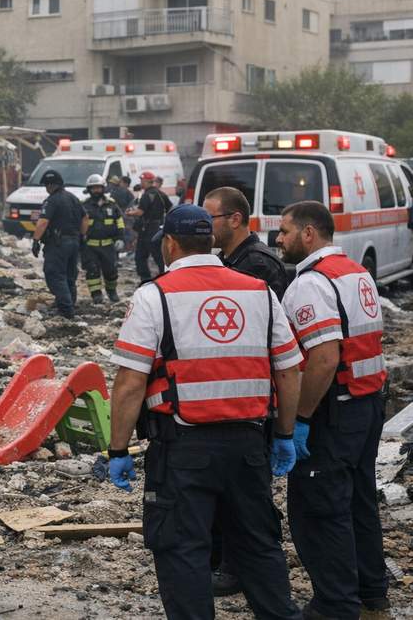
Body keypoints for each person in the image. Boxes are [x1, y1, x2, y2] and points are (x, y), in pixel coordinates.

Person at [107, 204, 303, 620]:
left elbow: (130, 383)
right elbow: (288, 371)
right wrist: (285, 434)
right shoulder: (259, 292)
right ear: (210, 241)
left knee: (183, 549)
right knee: (258, 545)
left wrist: (118, 449)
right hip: (249, 445)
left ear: (170, 244)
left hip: (182, 449)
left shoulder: (155, 295)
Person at [276, 201, 389, 618]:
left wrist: (300, 419)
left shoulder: (310, 284)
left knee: (321, 509)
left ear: (308, 233)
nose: (279, 239)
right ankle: (372, 595)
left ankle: (335, 605)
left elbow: (323, 358)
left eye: (284, 231)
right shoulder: (355, 272)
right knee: (359, 501)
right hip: (367, 402)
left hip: (333, 411)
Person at [201, 186, 291, 598]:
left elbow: (257, 334)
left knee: (246, 495)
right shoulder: (230, 260)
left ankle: (240, 568)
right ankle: (223, 559)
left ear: (234, 219)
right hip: (233, 395)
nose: (205, 228)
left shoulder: (257, 264)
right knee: (225, 490)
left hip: (253, 399)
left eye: (211, 219)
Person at [32, 170, 88, 319]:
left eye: (46, 185)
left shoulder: (52, 200)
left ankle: (66, 309)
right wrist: (82, 236)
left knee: (55, 275)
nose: (46, 188)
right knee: (69, 275)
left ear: (50, 185)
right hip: (74, 241)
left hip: (57, 243)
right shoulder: (73, 198)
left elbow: (43, 222)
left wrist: (36, 240)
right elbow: (85, 218)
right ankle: (69, 303)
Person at [81, 174, 125, 303]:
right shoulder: (84, 205)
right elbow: (78, 223)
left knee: (111, 271)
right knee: (92, 271)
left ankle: (112, 292)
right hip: (90, 246)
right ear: (89, 189)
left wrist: (120, 238)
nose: (96, 190)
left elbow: (119, 222)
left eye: (98, 187)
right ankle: (96, 295)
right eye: (93, 188)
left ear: (103, 188)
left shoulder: (111, 204)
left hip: (108, 246)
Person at [127, 171, 170, 282]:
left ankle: (145, 279)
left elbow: (140, 212)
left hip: (147, 230)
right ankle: (165, 277)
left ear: (146, 181)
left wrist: (130, 213)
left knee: (140, 256)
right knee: (159, 256)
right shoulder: (161, 194)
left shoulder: (146, 195)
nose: (141, 182)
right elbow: (170, 208)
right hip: (158, 228)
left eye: (142, 180)